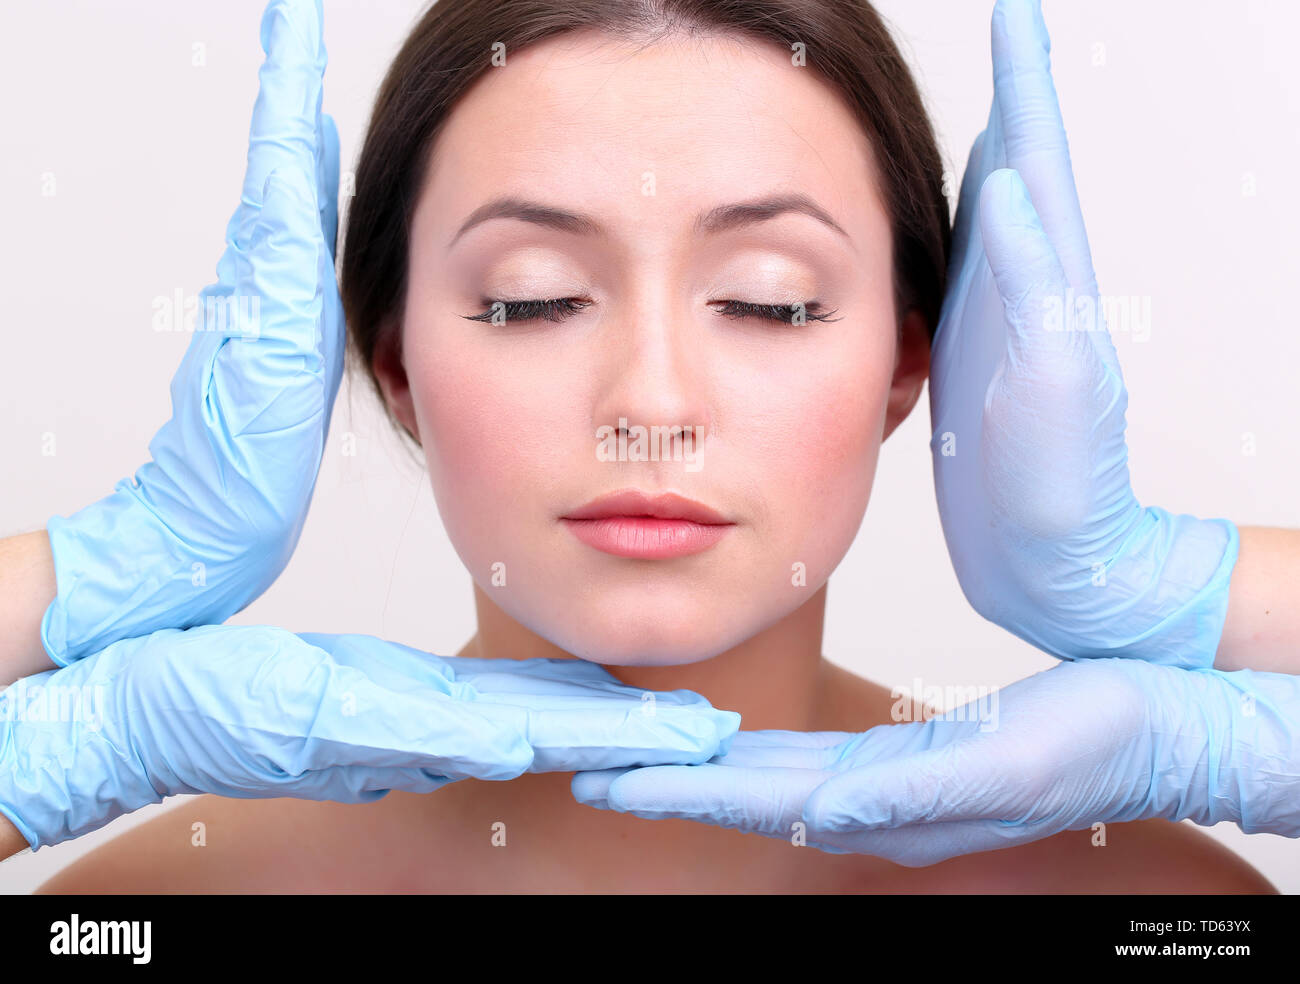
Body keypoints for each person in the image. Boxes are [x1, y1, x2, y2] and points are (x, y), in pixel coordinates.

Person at [12, 0, 1278, 892]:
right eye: (532, 297)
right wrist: (82, 630)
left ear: (912, 360)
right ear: (391, 361)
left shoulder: (1150, 911)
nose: (651, 400)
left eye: (771, 299)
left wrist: (1182, 596)